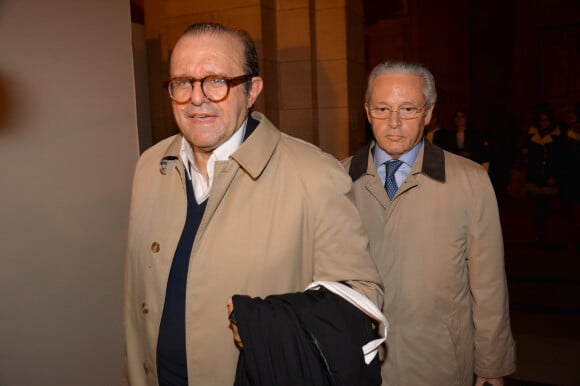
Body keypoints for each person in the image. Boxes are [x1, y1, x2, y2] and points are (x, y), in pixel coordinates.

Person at [124, 22, 383, 386]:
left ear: (251, 90)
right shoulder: (150, 167)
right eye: (183, 82)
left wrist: (271, 329)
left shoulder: (313, 175)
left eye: (216, 80)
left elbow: (363, 299)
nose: (197, 97)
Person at [343, 60, 516, 386]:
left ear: (429, 113)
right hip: (357, 360)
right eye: (382, 108)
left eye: (408, 109)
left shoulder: (469, 181)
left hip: (439, 361)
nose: (393, 122)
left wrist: (492, 365)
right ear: (367, 112)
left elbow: (489, 285)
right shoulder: (338, 180)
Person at [520, 103, 564, 242]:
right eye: (541, 120)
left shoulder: (557, 137)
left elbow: (560, 158)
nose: (543, 123)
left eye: (546, 120)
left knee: (547, 208)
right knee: (536, 207)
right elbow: (526, 152)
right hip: (535, 176)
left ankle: (547, 234)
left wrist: (555, 175)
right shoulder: (532, 134)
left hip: (549, 177)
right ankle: (539, 233)